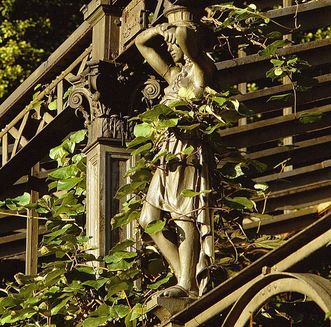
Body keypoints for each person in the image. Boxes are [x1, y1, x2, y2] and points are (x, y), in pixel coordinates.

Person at [135, 16, 215, 298]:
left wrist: (178, 25)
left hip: (186, 153)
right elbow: (141, 44)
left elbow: (184, 37)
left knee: (183, 215)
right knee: (148, 219)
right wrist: (160, 30)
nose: (169, 47)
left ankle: (186, 283)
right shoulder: (174, 77)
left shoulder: (200, 71)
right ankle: (186, 277)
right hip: (166, 155)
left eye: (174, 44)